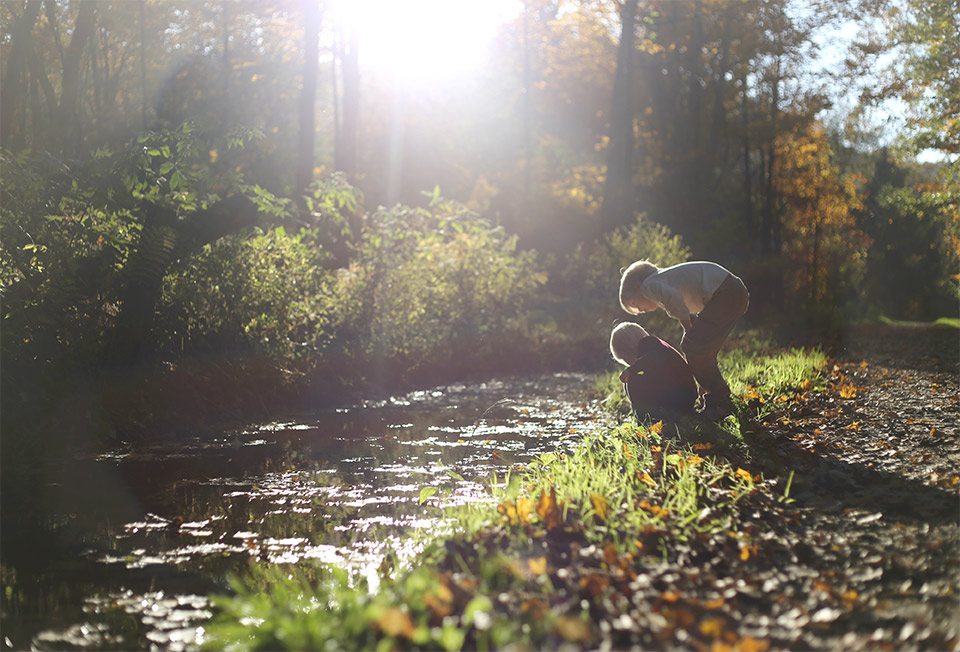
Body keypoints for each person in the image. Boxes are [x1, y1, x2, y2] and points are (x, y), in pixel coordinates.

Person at [618, 260, 749, 417]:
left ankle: (720, 401)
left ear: (637, 285)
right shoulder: (665, 279)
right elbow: (704, 352)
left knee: (691, 345)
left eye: (634, 304)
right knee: (702, 350)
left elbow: (674, 300)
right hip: (733, 293)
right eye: (635, 311)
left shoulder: (648, 285)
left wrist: (688, 329)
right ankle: (715, 397)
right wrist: (702, 378)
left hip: (725, 293)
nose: (640, 310)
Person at [609, 322, 698, 421]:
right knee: (631, 380)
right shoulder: (656, 346)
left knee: (633, 381)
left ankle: (644, 420)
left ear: (624, 353)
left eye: (624, 359)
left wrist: (631, 370)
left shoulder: (649, 344)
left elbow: (653, 358)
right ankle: (652, 415)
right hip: (681, 397)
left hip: (680, 398)